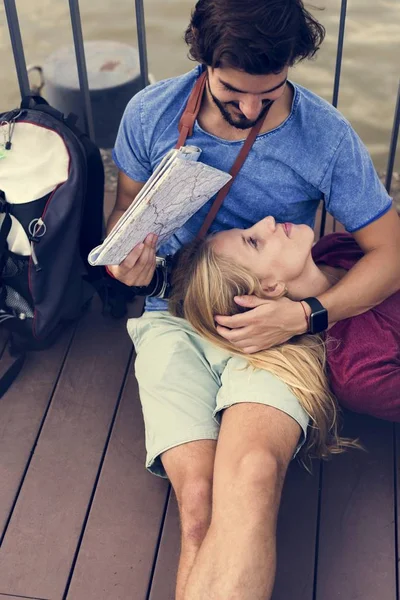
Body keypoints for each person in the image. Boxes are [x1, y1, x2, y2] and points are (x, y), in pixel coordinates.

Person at [106, 1, 400, 598]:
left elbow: (391, 252)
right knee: (196, 505)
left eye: (267, 96)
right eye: (231, 93)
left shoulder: (325, 137)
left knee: (254, 476)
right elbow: (123, 218)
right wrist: (127, 265)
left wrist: (307, 314)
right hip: (173, 315)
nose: (248, 111)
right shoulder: (150, 114)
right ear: (202, 57)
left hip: (277, 327)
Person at [169, 217, 400, 424]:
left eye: (248, 229)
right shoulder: (356, 372)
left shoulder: (333, 249)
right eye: (253, 241)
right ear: (269, 288)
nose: (267, 220)